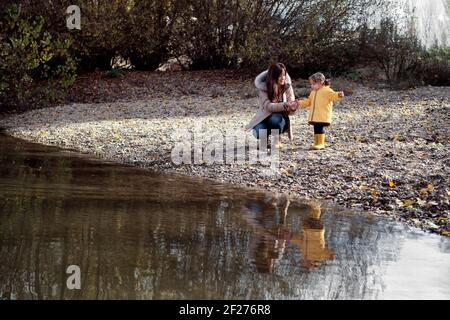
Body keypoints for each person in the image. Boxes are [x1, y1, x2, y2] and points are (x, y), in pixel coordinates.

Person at [245, 63, 298, 142]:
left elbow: (291, 108)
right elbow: (268, 106)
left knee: (275, 120)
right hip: (265, 117)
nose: (282, 78)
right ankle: (265, 140)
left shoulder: (287, 87)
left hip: (280, 119)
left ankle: (276, 139)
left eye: (284, 75)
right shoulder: (263, 88)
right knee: (259, 131)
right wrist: (284, 104)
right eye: (280, 76)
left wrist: (292, 108)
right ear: (273, 77)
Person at [293, 72, 344, 150]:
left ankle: (321, 143)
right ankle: (317, 143)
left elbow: (333, 95)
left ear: (321, 82)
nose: (312, 86)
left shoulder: (326, 90)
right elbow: (308, 102)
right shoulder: (313, 92)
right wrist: (299, 103)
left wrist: (338, 95)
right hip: (315, 115)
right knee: (316, 128)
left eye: (313, 84)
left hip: (322, 115)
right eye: (311, 84)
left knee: (319, 129)